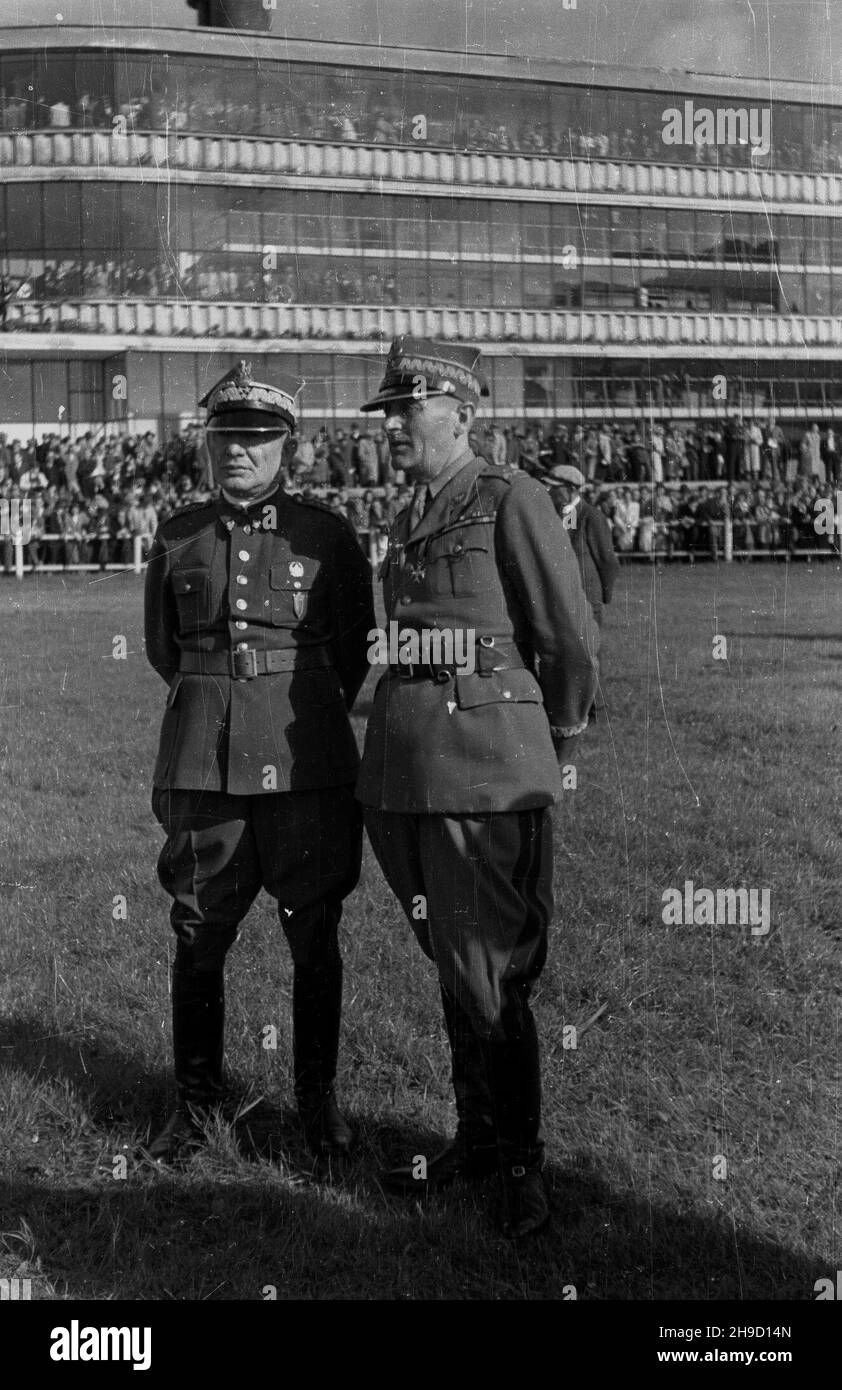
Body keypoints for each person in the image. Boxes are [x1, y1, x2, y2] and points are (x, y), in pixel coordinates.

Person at [355, 337, 598, 1239]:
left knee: (488, 968)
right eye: (388, 415)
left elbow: (566, 640)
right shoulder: (409, 512)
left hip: (481, 770)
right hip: (406, 771)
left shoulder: (510, 498)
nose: (393, 429)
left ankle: (519, 1167)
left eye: (409, 411)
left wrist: (561, 737)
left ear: (463, 413)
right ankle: (477, 1140)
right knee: (453, 964)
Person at [143, 360, 374, 1164]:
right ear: (207, 446)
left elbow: (350, 654)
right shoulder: (177, 535)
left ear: (287, 448)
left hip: (303, 760)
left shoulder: (328, 535)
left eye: (257, 438)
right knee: (199, 932)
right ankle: (196, 1104)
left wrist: (288, 702)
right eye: (225, 437)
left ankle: (319, 1105)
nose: (238, 451)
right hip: (204, 764)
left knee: (313, 933)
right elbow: (163, 651)